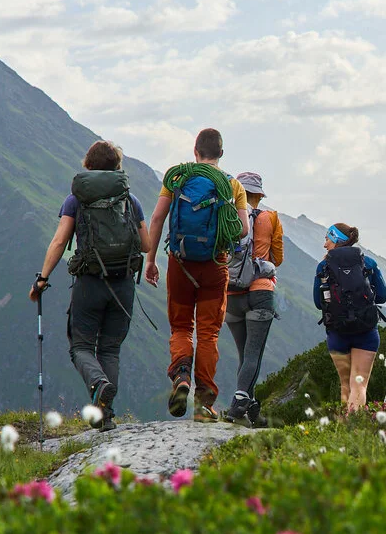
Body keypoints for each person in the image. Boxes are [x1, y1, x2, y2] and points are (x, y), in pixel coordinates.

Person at [29, 140, 151, 431]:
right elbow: (146, 244)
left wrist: (42, 278)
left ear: (88, 166)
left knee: (81, 346)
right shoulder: (130, 200)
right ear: (117, 167)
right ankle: (105, 415)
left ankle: (98, 384)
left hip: (90, 282)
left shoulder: (76, 200)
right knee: (110, 349)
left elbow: (60, 241)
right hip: (122, 284)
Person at [144, 128, 248, 422]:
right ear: (221, 154)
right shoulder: (232, 185)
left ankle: (180, 377)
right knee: (208, 333)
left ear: (195, 151)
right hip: (215, 265)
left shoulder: (177, 178)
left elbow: (157, 218)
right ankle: (204, 405)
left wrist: (150, 260)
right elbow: (242, 230)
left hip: (180, 262)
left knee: (180, 327)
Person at [222, 171, 283, 426]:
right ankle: (240, 403)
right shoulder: (271, 218)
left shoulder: (227, 214)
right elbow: (277, 259)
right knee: (253, 354)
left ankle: (252, 408)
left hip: (232, 292)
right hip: (260, 292)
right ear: (259, 195)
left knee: (243, 354)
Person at [314, 223, 386, 413]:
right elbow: (382, 296)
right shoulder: (368, 263)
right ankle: (355, 426)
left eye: (327, 239)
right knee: (359, 385)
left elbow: (317, 301)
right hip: (366, 332)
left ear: (336, 239)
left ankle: (344, 429)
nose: (325, 244)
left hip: (338, 333)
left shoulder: (323, 266)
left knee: (345, 385)